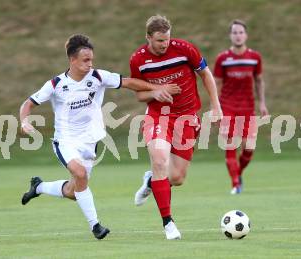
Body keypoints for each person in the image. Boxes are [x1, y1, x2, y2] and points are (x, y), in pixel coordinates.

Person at [19, 34, 180, 240]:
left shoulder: (98, 77)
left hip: (90, 142)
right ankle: (96, 226)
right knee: (80, 174)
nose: (90, 64)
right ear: (72, 60)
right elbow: (28, 104)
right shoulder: (56, 84)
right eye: (86, 60)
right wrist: (24, 121)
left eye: (91, 60)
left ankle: (38, 187)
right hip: (66, 141)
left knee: (73, 190)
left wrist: (158, 88)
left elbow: (129, 82)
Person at [130, 15, 222, 240]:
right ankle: (168, 223)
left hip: (187, 118)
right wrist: (154, 92)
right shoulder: (138, 60)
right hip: (158, 117)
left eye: (167, 39)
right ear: (148, 38)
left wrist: (216, 105)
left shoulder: (185, 49)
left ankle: (152, 181)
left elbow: (205, 75)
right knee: (160, 159)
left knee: (178, 177)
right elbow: (139, 94)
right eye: (160, 41)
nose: (165, 45)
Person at [213, 19, 269, 195]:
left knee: (249, 148)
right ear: (230, 36)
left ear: (246, 35)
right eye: (234, 32)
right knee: (231, 145)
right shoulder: (222, 59)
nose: (238, 35)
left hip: (248, 108)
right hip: (227, 107)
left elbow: (259, 81)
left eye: (240, 32)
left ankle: (238, 173)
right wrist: (215, 109)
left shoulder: (254, 58)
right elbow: (216, 84)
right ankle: (235, 184)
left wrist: (263, 103)